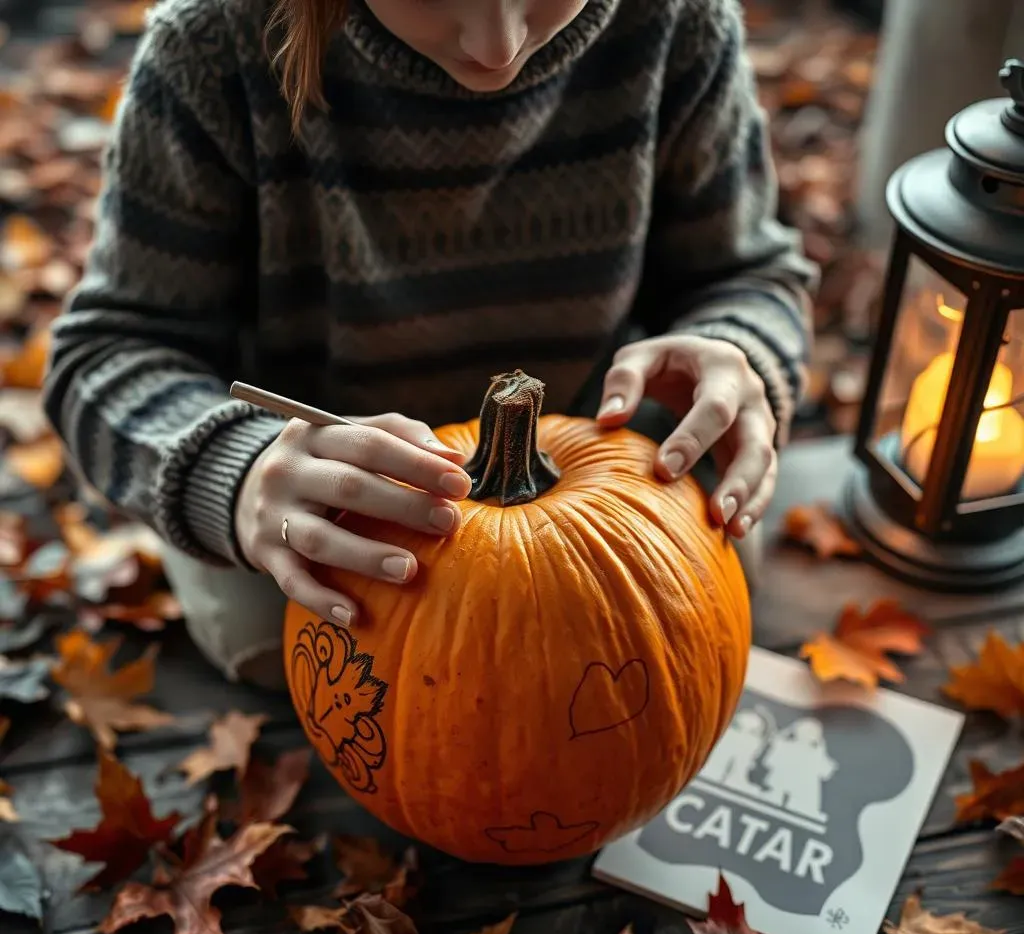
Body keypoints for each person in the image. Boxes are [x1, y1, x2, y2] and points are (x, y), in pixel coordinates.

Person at [42, 0, 818, 688]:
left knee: (703, 600)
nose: (497, 45)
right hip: (319, 495)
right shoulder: (212, 49)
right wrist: (235, 477)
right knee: (274, 648)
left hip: (580, 471)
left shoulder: (679, 23)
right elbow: (108, 354)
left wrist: (735, 346)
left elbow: (749, 274)